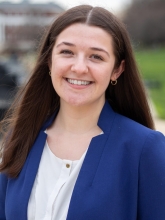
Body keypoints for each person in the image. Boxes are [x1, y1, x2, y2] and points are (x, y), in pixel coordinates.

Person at [0, 5, 165, 220]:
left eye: (96, 57)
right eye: (67, 52)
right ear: (50, 60)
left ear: (117, 69)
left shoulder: (145, 150)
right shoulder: (21, 136)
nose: (79, 68)